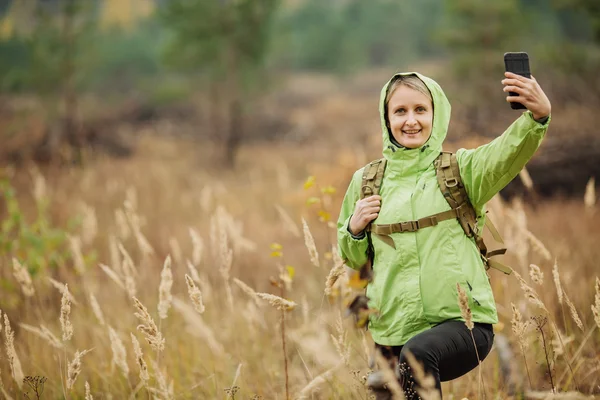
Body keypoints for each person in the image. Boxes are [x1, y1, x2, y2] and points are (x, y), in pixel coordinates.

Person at [336, 71, 551, 398]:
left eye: (421, 110)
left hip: (464, 325)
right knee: (396, 378)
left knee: (418, 355)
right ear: (386, 118)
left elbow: (505, 152)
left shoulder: (461, 171)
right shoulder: (365, 181)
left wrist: (537, 116)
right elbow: (354, 259)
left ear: (437, 115)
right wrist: (354, 228)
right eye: (400, 111)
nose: (411, 120)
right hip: (391, 332)